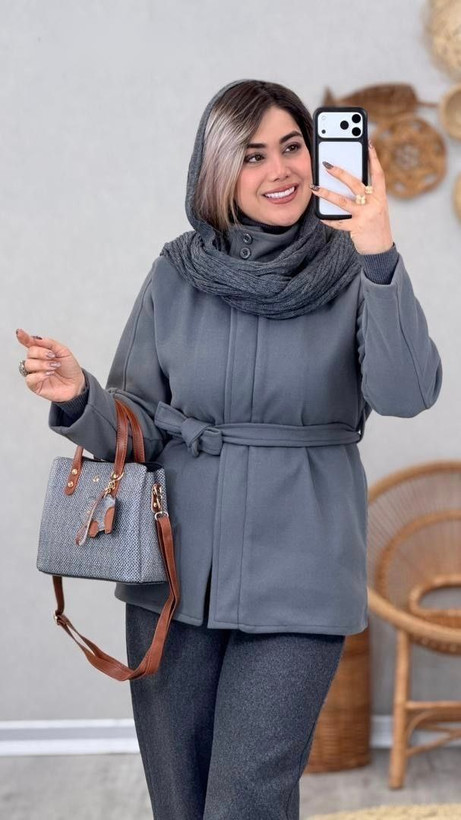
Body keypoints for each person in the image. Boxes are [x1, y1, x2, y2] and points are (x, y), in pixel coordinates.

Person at [16, 78, 443, 819]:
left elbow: (407, 392)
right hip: (174, 573)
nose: (280, 170)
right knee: (179, 800)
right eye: (252, 155)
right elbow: (140, 426)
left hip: (302, 574)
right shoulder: (175, 271)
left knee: (248, 797)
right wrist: (79, 396)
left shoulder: (354, 268)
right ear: (215, 168)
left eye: (292, 146)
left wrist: (378, 253)